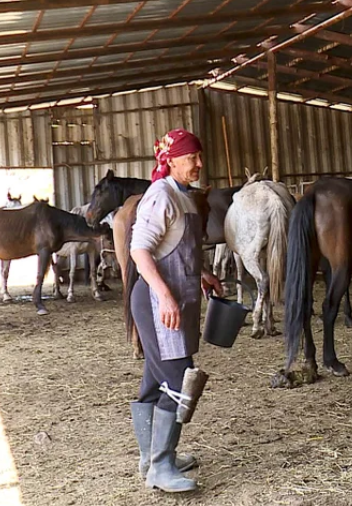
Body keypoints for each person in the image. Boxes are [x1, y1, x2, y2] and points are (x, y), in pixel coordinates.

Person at [127, 128, 223, 493]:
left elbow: (174, 248)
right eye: (192, 157)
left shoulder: (183, 195)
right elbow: (139, 251)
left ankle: (150, 457)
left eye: (199, 156)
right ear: (171, 161)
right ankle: (161, 467)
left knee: (155, 381)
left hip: (177, 299)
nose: (199, 163)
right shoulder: (161, 195)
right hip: (158, 302)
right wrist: (166, 296)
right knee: (180, 381)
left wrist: (201, 273)